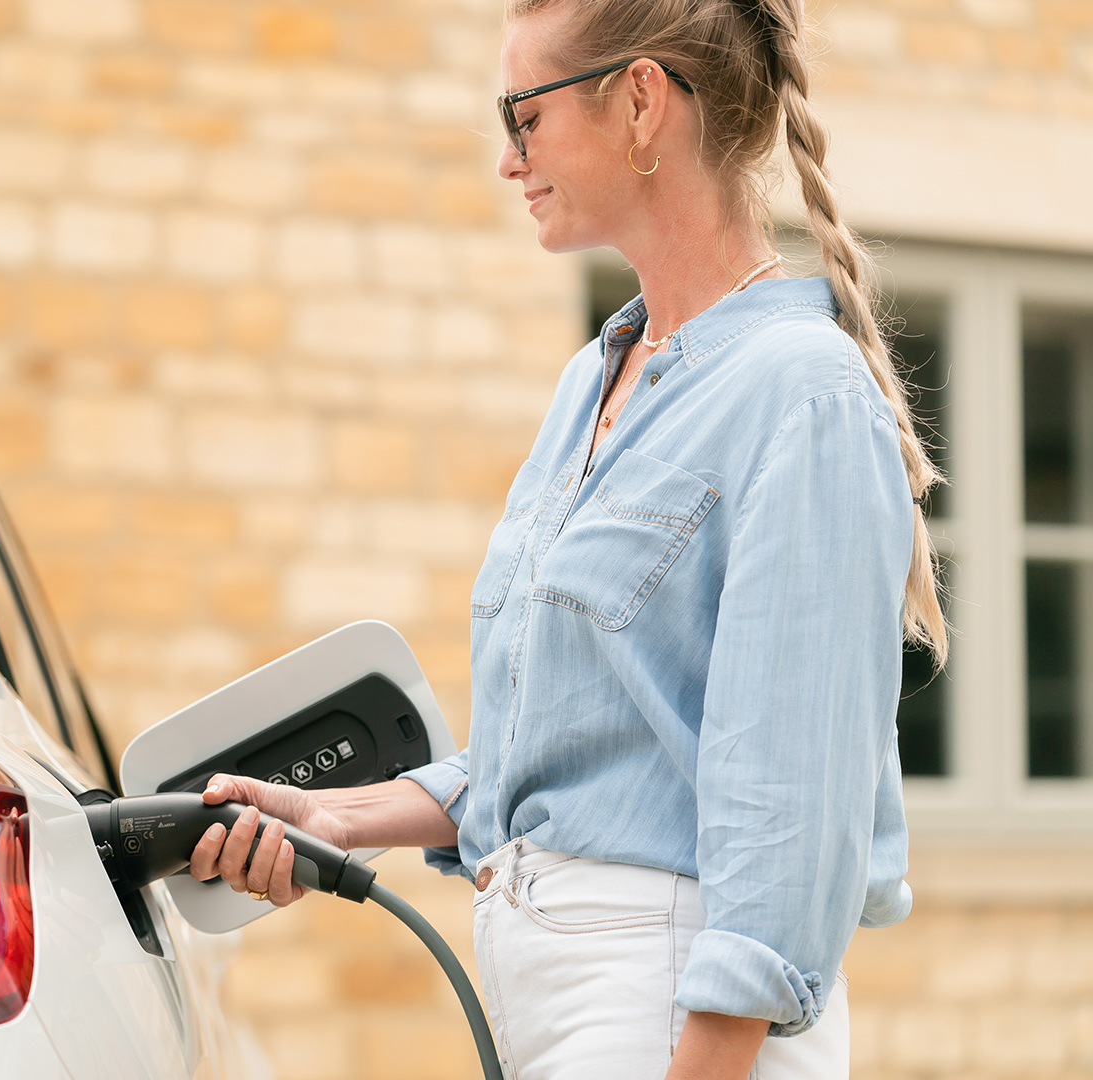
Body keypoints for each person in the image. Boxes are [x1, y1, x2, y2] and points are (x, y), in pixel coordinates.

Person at [187, 0, 940, 1077]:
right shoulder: (592, 381)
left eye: (523, 116)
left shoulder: (801, 395)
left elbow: (791, 810)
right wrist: (331, 814)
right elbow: (560, 754)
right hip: (549, 1001)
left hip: (677, 1015)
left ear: (640, 102)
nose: (507, 158)